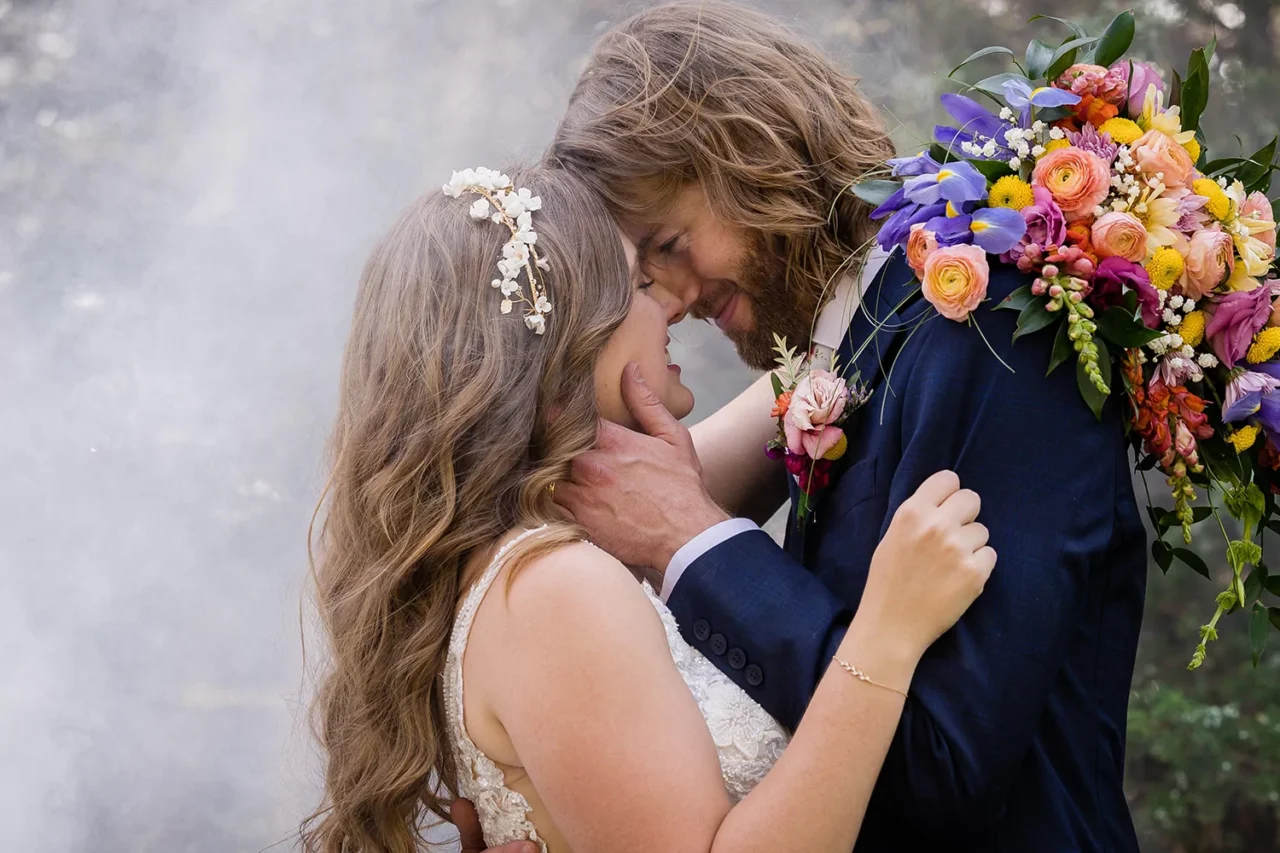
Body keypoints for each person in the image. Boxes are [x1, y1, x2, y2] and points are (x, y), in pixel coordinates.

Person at [526, 3, 1145, 852]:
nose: (673, 300)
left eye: (668, 243)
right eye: (643, 276)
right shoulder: (853, 347)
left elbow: (947, 767)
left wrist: (691, 537)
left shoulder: (990, 327)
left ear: (748, 150)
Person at [299, 163, 994, 853]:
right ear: (561, 339)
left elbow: (821, 370)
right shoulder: (553, 587)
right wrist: (884, 635)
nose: (671, 305)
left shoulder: (539, 552)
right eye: (638, 284)